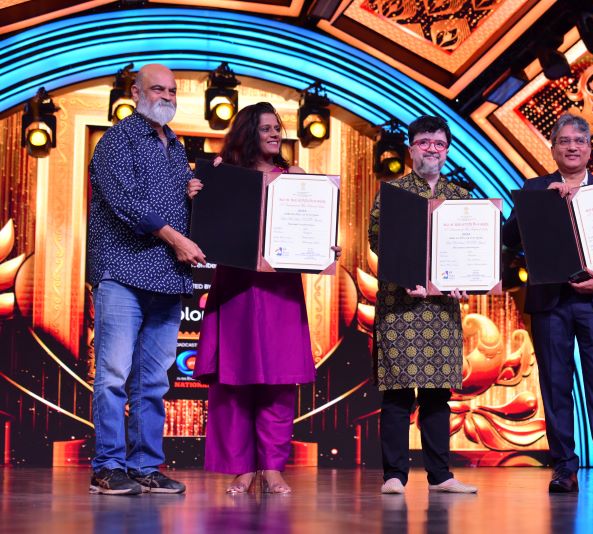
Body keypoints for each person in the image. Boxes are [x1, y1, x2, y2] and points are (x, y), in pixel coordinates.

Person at [190, 102, 339, 494]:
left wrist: (325, 246)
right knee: (234, 380)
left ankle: (272, 467)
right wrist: (198, 192)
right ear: (247, 133)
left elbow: (315, 229)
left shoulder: (295, 177)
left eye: (277, 128)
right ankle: (242, 468)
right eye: (266, 128)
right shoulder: (224, 174)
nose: (275, 134)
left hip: (279, 290)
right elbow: (202, 227)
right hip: (236, 287)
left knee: (278, 379)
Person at [88, 63, 206, 495]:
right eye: (158, 89)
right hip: (122, 272)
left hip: (167, 278)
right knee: (113, 375)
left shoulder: (174, 145)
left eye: (172, 90)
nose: (167, 96)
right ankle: (107, 466)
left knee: (153, 382)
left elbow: (179, 206)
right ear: (136, 92)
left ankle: (144, 465)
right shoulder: (117, 140)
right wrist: (177, 239)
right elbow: (127, 204)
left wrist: (193, 193)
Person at [502, 113, 593, 495]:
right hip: (550, 301)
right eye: (564, 141)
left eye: (579, 141)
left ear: (589, 148)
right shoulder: (535, 187)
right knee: (556, 385)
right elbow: (510, 238)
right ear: (553, 148)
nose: (572, 147)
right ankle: (563, 468)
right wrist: (542, 203)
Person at [369, 115, 477, 495]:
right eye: (425, 142)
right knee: (397, 393)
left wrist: (466, 281)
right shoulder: (393, 192)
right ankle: (394, 475)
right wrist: (405, 275)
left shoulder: (461, 197)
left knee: (437, 394)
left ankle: (441, 476)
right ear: (411, 148)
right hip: (400, 306)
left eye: (439, 143)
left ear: (447, 151)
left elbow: (471, 249)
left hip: (442, 310)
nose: (433, 149)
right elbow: (377, 241)